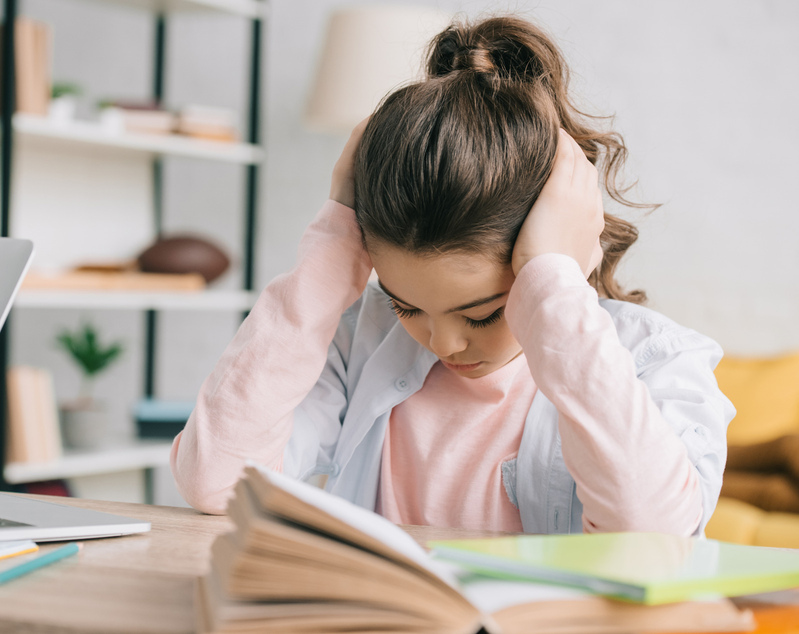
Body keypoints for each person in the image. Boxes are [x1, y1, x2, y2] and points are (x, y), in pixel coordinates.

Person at [170, 15, 733, 536]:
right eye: (404, 305)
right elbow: (217, 482)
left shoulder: (660, 363)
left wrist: (556, 286)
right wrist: (332, 245)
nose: (444, 343)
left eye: (482, 312)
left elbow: (652, 539)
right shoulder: (356, 343)